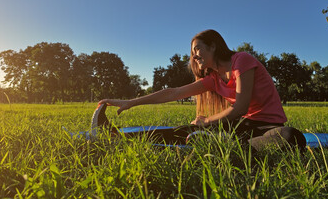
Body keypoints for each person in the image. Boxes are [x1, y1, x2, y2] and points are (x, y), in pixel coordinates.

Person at [99, 29, 306, 151]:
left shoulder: (241, 61)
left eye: (197, 49)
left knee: (291, 136)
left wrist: (207, 121)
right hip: (239, 127)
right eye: (192, 52)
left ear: (213, 46)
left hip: (266, 127)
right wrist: (131, 102)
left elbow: (241, 107)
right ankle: (116, 136)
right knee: (183, 131)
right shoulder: (213, 79)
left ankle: (223, 144)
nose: (194, 55)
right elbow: (173, 92)